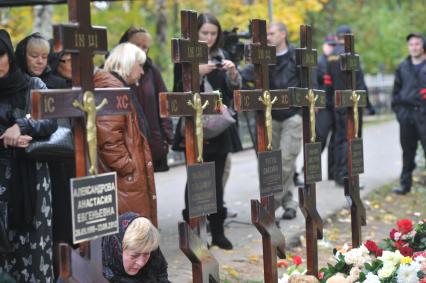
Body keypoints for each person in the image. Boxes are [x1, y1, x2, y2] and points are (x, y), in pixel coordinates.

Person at [173, 13, 242, 250]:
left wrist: (233, 73)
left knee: (216, 181)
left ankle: (218, 232)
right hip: (195, 128)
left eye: (213, 33)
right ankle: (193, 230)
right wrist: (196, 73)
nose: (209, 38)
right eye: (205, 33)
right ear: (196, 34)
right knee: (196, 180)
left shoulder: (223, 56)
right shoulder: (183, 57)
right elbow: (177, 93)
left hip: (219, 129)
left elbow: (233, 92)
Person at [0, 29, 57, 282]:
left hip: (31, 181)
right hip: (2, 180)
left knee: (35, 251)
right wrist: (5, 136)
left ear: (10, 56)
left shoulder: (32, 84)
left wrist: (22, 126)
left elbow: (51, 119)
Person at [15, 33, 76, 249]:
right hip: (22, 166)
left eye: (44, 56)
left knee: (60, 228)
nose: (40, 61)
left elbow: (64, 128)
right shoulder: (14, 85)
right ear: (23, 55)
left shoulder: (58, 84)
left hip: (57, 165)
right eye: (34, 56)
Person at [94, 42, 158, 226]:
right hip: (125, 179)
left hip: (128, 177)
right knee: (133, 236)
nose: (143, 72)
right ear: (129, 63)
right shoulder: (111, 88)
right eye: (140, 65)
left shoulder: (117, 87)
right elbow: (109, 138)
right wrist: (128, 167)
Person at [118, 27, 173, 172]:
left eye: (145, 47)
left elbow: (164, 101)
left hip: (152, 141)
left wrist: (166, 135)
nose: (141, 50)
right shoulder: (114, 70)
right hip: (126, 145)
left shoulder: (151, 71)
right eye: (137, 46)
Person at [325, 25, 370, 187]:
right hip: (352, 102)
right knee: (351, 138)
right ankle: (347, 176)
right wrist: (367, 103)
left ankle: (338, 174)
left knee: (339, 138)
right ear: (349, 36)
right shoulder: (351, 55)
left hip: (337, 102)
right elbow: (359, 81)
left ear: (337, 37)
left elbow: (328, 82)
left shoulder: (330, 57)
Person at [391, 33, 426, 195]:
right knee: (407, 151)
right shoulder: (402, 67)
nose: (414, 47)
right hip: (406, 115)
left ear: (422, 46)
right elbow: (396, 92)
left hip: (423, 114)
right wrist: (399, 113)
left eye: (417, 44)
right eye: (411, 44)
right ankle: (405, 185)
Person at [102, 212, 170, 282]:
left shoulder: (155, 265)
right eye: (134, 255)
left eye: (146, 254)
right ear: (118, 250)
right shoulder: (97, 275)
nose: (141, 263)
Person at [316, 35, 337, 180]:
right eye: (328, 45)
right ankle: (308, 169)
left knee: (335, 140)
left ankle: (332, 172)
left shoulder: (336, 61)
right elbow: (315, 83)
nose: (331, 48)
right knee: (320, 138)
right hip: (323, 106)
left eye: (333, 45)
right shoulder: (319, 62)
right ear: (324, 46)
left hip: (335, 105)